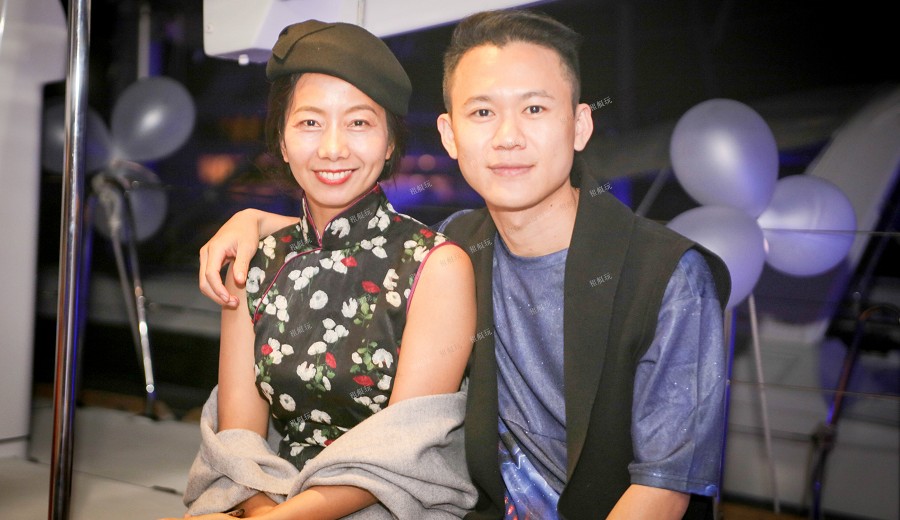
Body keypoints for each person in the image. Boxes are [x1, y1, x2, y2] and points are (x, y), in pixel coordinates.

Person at [199, 9, 731, 520]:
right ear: (450, 134)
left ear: (579, 125)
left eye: (534, 109)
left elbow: (663, 492)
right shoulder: (459, 243)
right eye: (482, 113)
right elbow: (357, 241)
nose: (507, 137)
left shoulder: (670, 278)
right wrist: (255, 220)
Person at [173, 19, 477, 520]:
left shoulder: (434, 266)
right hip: (270, 496)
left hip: (389, 505)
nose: (333, 148)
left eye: (359, 123)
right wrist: (262, 510)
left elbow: (400, 451)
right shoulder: (254, 262)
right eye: (310, 123)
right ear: (282, 139)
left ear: (389, 143)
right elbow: (238, 439)